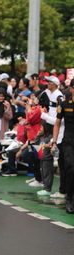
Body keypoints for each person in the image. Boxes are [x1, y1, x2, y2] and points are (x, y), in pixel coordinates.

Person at [52, 78, 74, 213]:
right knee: (71, 167)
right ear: (71, 89)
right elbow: (57, 123)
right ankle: (69, 198)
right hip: (68, 142)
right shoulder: (64, 105)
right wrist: (54, 141)